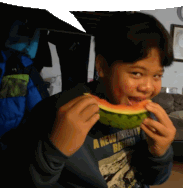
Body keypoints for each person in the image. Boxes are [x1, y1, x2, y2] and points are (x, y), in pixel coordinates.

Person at [3, 12, 176, 188]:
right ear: (101, 66)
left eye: (157, 75)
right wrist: (52, 153)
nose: (148, 87)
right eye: (136, 73)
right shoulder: (52, 113)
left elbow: (154, 179)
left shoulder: (144, 114)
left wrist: (160, 153)